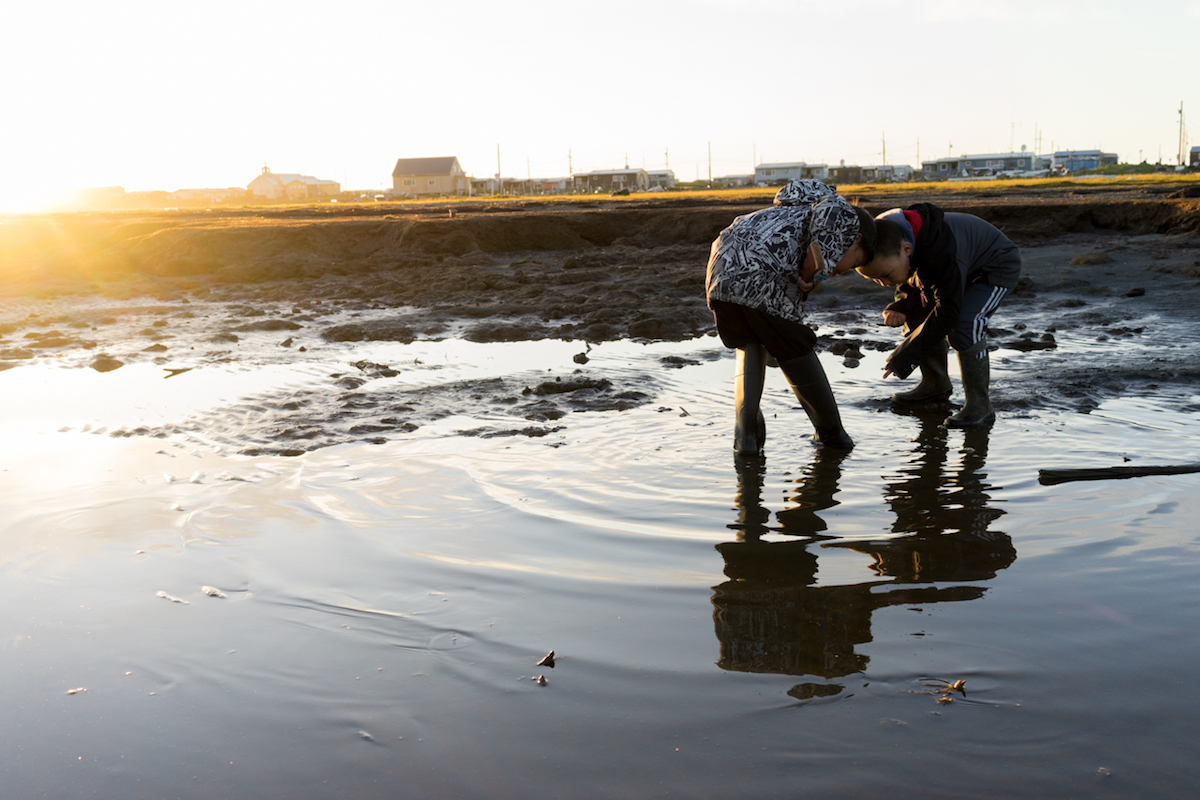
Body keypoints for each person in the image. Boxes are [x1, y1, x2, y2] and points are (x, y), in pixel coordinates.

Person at [706, 179, 876, 454]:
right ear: (856, 240)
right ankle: (832, 435)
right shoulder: (844, 216)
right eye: (853, 263)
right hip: (761, 277)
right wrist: (810, 278)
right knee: (794, 345)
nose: (842, 272)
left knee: (749, 341)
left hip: (721, 277)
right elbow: (818, 252)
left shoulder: (781, 212)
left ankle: (745, 436)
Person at [854, 204, 1021, 426]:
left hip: (992, 267)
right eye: (877, 280)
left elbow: (947, 311)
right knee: (916, 310)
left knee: (965, 323)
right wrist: (901, 304)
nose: (885, 284)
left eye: (886, 275)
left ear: (906, 249)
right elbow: (915, 275)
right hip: (954, 271)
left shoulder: (940, 250)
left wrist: (907, 353)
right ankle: (935, 385)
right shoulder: (895, 236)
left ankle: (979, 406)